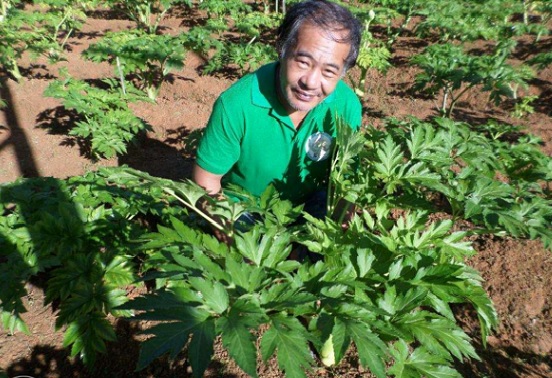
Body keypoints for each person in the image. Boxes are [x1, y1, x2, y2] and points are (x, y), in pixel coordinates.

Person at [193, 0, 362, 226]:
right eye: (303, 62)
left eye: (329, 71)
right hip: (245, 210)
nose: (311, 82)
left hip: (310, 207)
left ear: (343, 73)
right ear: (281, 49)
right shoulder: (237, 105)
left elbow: (347, 183)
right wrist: (239, 245)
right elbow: (206, 180)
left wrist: (336, 235)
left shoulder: (346, 105)